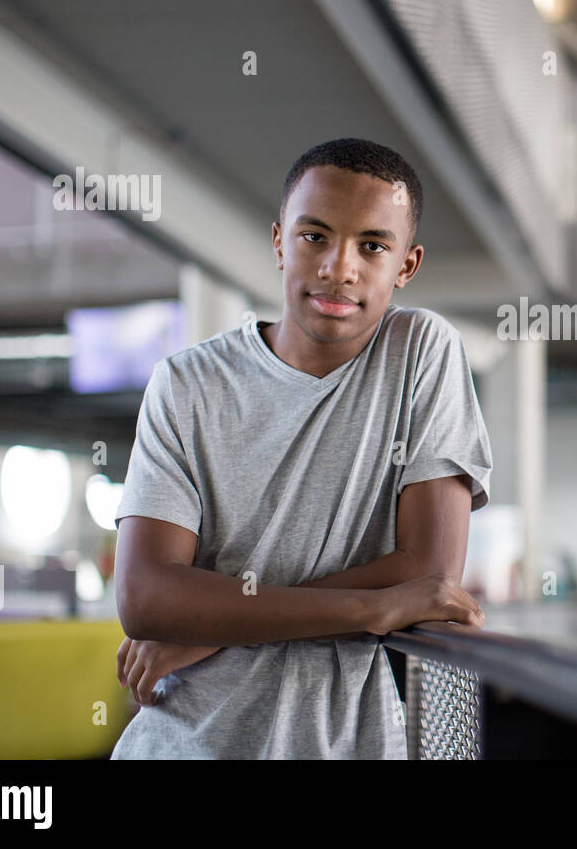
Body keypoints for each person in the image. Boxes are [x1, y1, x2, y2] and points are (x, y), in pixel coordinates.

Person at [110, 138, 492, 758]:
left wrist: (213, 630)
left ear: (406, 266)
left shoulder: (420, 351)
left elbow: (429, 574)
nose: (339, 267)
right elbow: (147, 597)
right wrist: (372, 607)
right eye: (315, 236)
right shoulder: (187, 384)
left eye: (372, 246)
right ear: (280, 241)